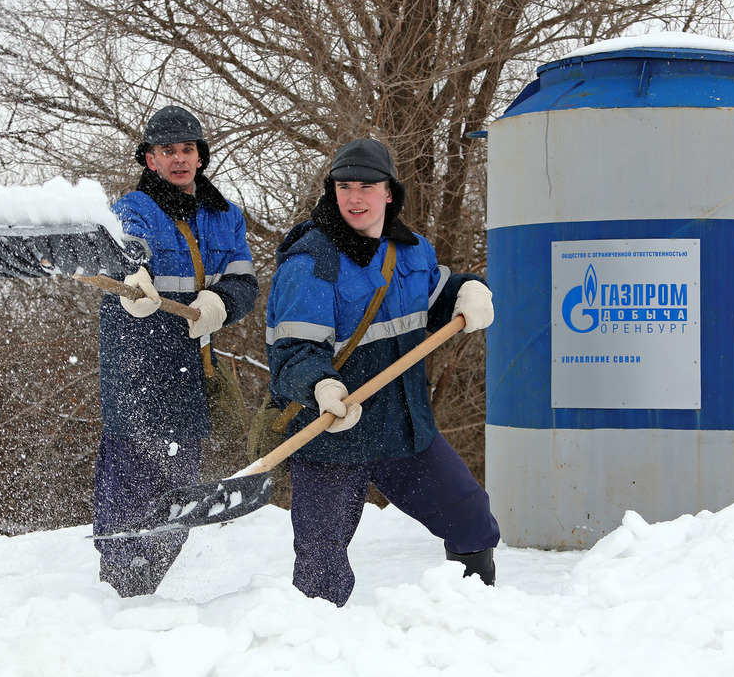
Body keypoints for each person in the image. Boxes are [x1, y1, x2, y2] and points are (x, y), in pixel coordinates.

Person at [265, 137, 500, 606]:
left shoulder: (412, 253)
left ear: (389, 192)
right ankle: (309, 650)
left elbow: (433, 304)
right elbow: (292, 351)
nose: (355, 197)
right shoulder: (312, 263)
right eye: (345, 186)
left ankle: (475, 622)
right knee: (320, 569)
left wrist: (467, 291)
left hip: (403, 429)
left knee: (471, 519)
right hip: (332, 434)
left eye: (367, 186)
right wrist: (321, 386)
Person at [94, 105, 257, 597]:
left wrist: (220, 303)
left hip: (192, 364)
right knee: (130, 473)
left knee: (180, 481)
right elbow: (125, 259)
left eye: (187, 150)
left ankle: (147, 580)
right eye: (168, 151)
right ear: (150, 160)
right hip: (136, 364)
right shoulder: (132, 211)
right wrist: (134, 283)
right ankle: (118, 583)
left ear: (200, 158)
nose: (179, 159)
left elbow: (243, 279)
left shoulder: (224, 217)